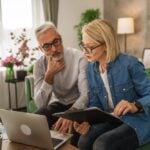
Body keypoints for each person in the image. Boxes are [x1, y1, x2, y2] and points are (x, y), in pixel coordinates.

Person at [73, 19, 150, 150]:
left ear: (106, 44)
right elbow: (95, 104)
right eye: (83, 45)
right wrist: (87, 121)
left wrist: (134, 105)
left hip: (137, 120)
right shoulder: (91, 69)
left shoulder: (130, 64)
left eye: (90, 47)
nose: (85, 51)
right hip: (112, 118)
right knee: (83, 141)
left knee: (102, 145)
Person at [33, 22, 88, 142]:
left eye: (56, 42)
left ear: (61, 39)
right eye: (47, 46)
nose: (54, 49)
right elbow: (40, 103)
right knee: (36, 120)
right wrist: (49, 75)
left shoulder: (79, 58)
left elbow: (85, 95)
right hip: (58, 104)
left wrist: (70, 114)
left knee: (77, 136)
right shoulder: (39, 65)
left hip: (78, 104)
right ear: (41, 49)